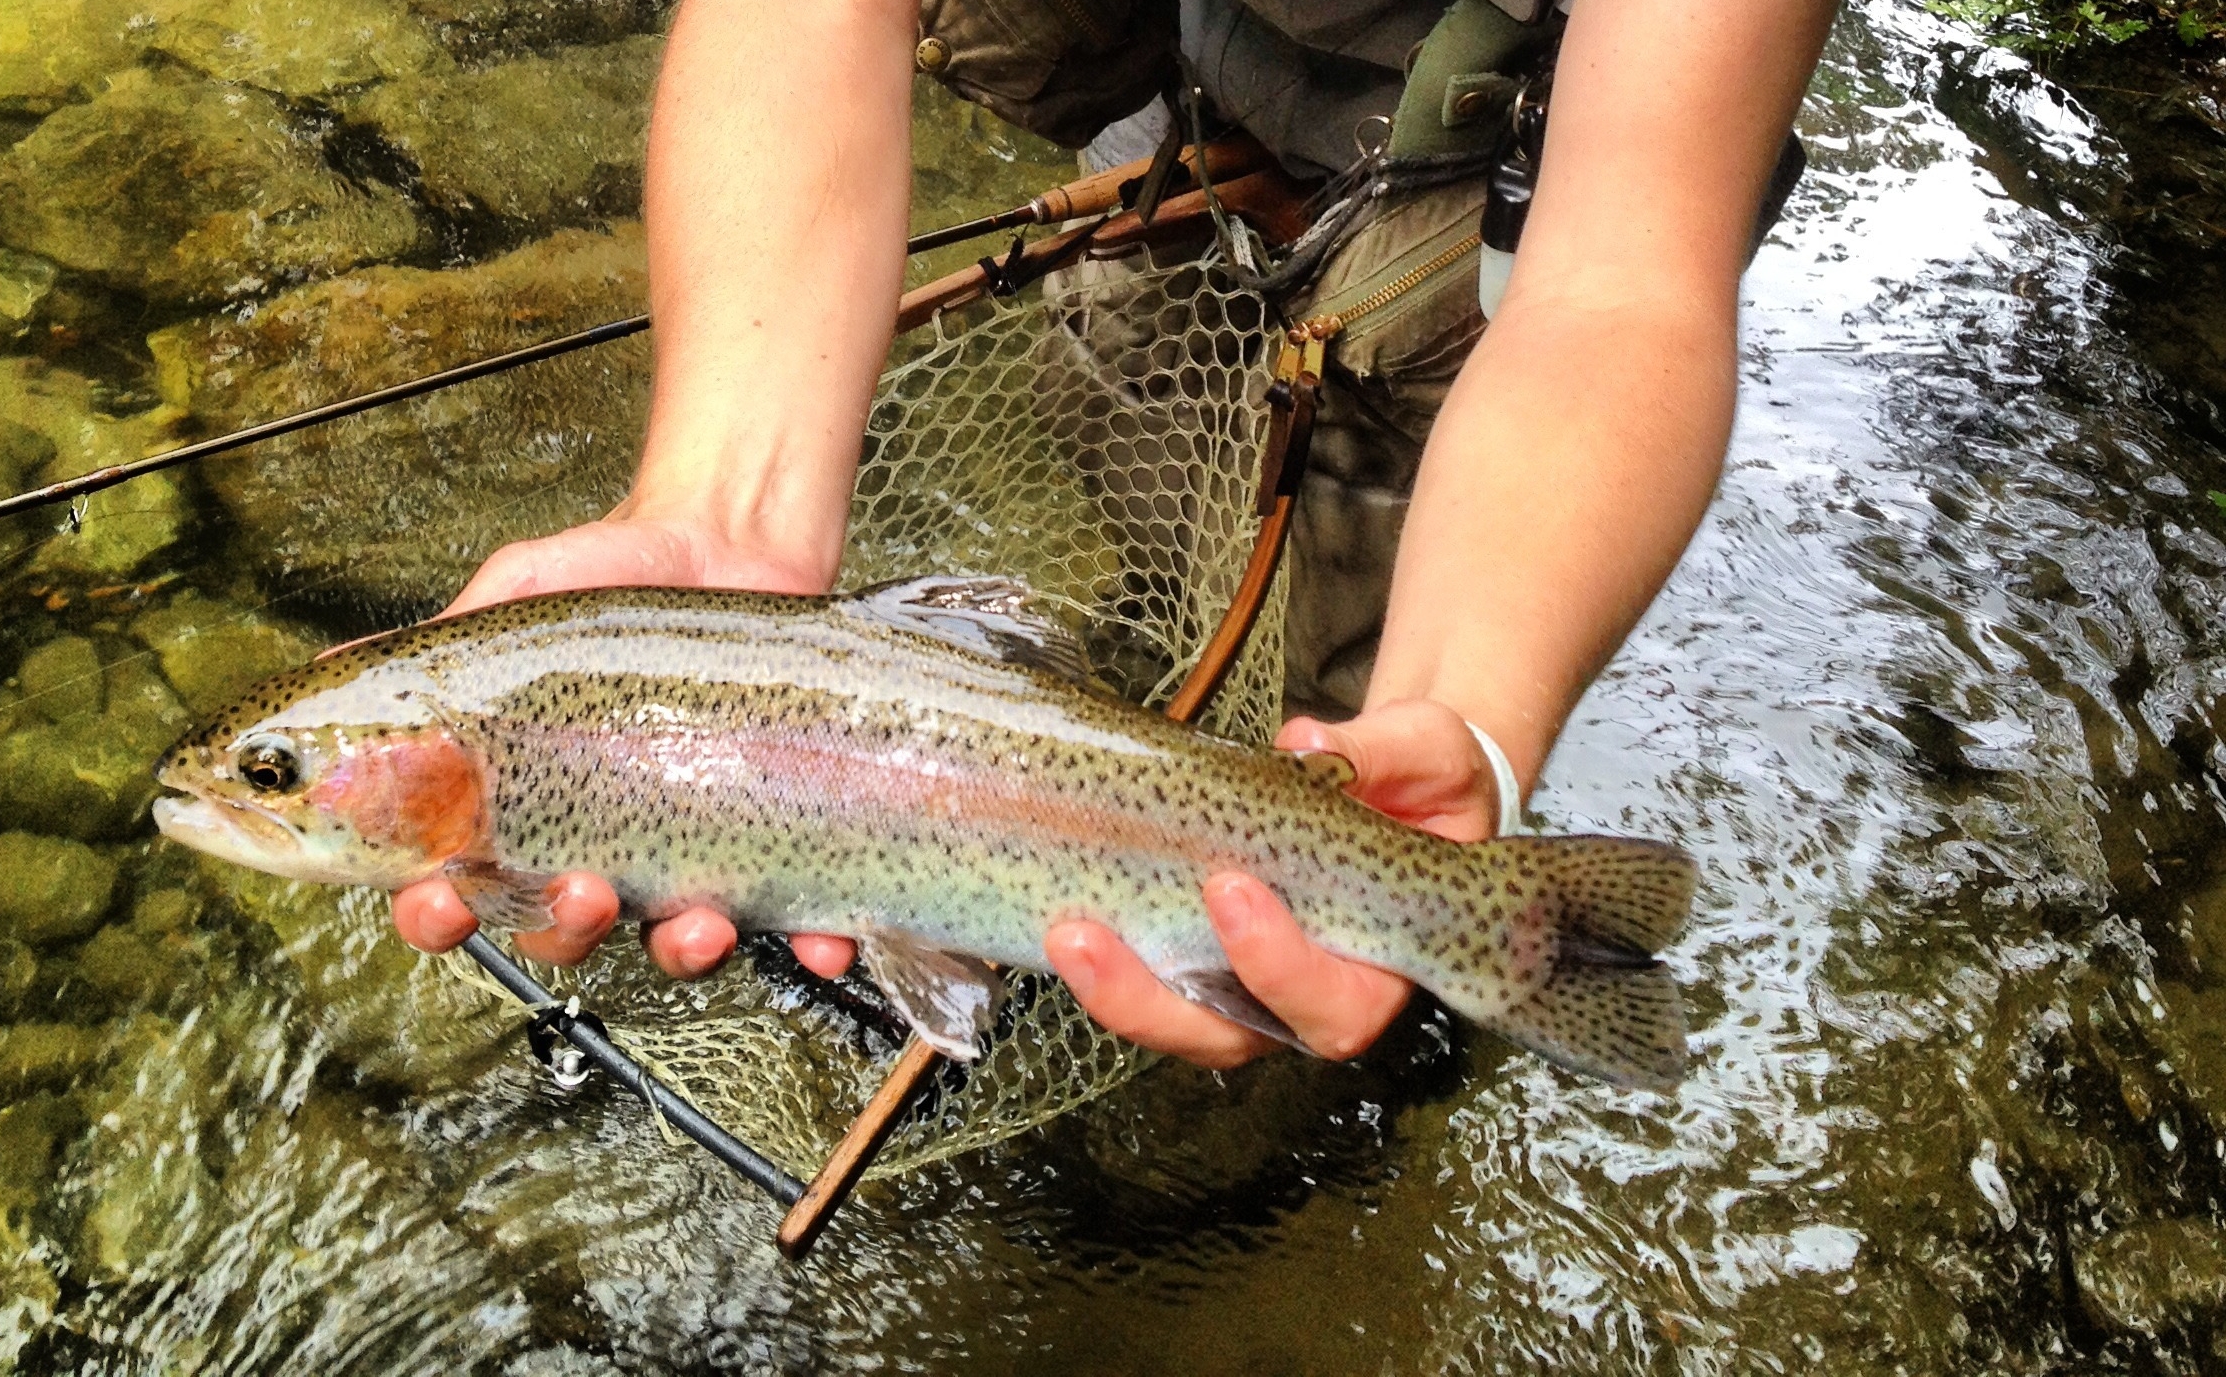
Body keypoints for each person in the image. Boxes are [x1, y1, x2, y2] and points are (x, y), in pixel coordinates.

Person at [387, 0, 1838, 1070]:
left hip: (1481, 212)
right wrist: (720, 510)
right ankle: (1125, 786)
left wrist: (1470, 713)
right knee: (1127, 426)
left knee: (1349, 812)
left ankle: (1402, 1009)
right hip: (1203, 88)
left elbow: (1619, 282)